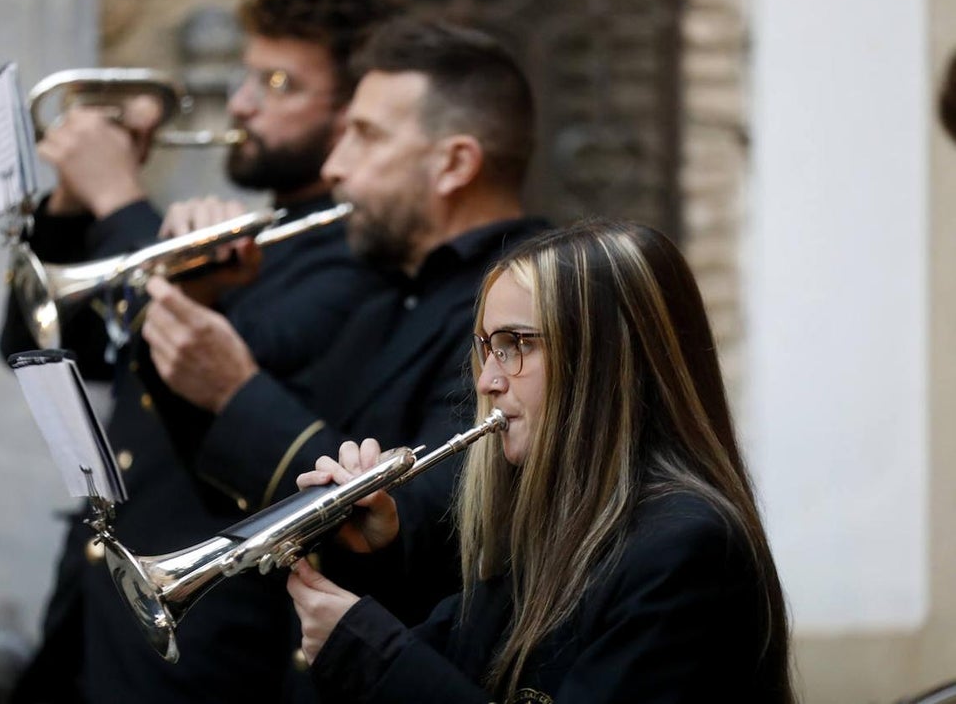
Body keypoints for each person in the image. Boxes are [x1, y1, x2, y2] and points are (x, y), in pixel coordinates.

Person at [1, 0, 403, 703]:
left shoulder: (359, 259)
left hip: (203, 654)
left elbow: (205, 363)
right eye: (248, 75)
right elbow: (41, 340)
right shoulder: (262, 237)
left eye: (278, 83)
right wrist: (71, 196)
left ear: (353, 113)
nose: (242, 102)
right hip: (92, 632)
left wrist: (119, 196)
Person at [139, 16, 549, 697]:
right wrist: (200, 299)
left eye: (365, 137)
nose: (333, 167)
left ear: (454, 163)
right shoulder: (386, 287)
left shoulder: (523, 306)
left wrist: (237, 392)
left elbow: (453, 526)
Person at [286, 220, 797, 703]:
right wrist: (373, 550)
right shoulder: (556, 527)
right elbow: (447, 666)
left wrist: (368, 655)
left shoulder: (684, 547)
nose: (487, 382)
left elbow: (402, 673)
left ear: (605, 362)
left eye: (516, 345)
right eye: (487, 347)